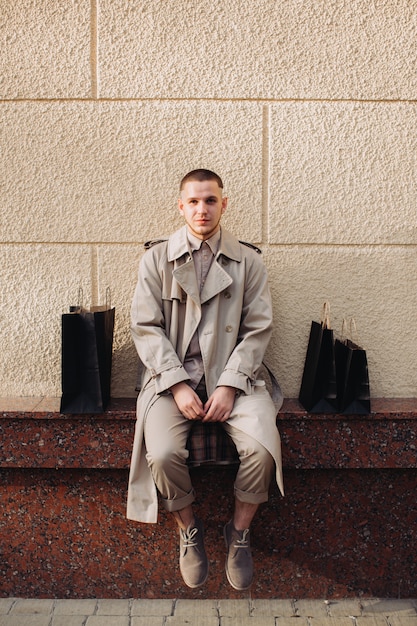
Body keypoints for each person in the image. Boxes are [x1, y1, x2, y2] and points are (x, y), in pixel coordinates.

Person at [127, 169, 284, 590]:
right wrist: (177, 383)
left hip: (236, 378)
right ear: (181, 206)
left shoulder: (249, 260)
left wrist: (230, 384)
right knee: (159, 454)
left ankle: (239, 532)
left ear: (223, 204)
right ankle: (188, 528)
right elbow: (145, 326)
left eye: (210, 200)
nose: (202, 209)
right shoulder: (156, 259)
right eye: (193, 201)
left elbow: (258, 329)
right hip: (169, 379)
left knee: (261, 449)